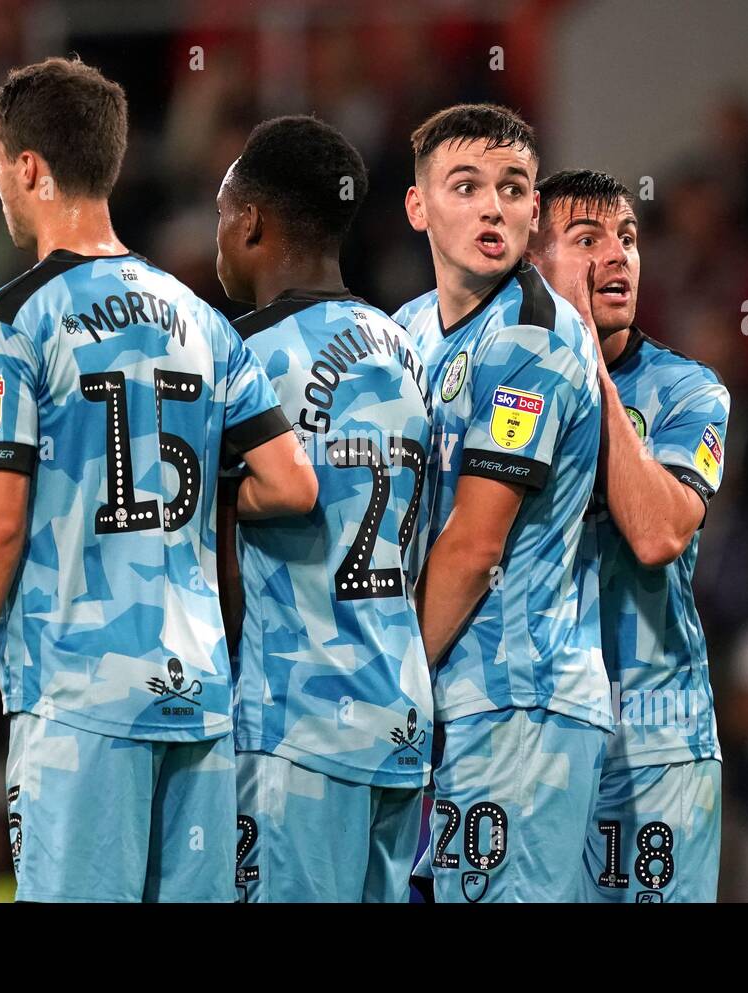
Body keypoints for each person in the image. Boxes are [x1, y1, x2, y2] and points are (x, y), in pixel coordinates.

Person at [0, 57, 316, 903]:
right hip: (201, 696)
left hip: (81, 698)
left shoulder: (8, 319)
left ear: (29, 166)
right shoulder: (205, 322)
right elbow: (292, 485)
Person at [214, 115, 434, 902]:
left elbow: (217, 556)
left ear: (252, 222)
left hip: (296, 726)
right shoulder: (407, 348)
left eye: (221, 212)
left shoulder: (240, 359)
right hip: (400, 718)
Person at [392, 104, 608, 903]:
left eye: (513, 188)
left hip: (520, 701)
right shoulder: (406, 330)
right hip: (448, 701)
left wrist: (391, 674)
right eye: (467, 185)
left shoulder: (535, 336)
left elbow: (476, 544)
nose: (494, 205)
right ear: (418, 207)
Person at [526, 169, 730, 901]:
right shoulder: (498, 383)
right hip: (529, 742)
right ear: (532, 261)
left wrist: (587, 370)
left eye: (629, 239)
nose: (618, 257)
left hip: (653, 743)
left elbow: (655, 533)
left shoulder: (689, 391)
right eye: (587, 239)